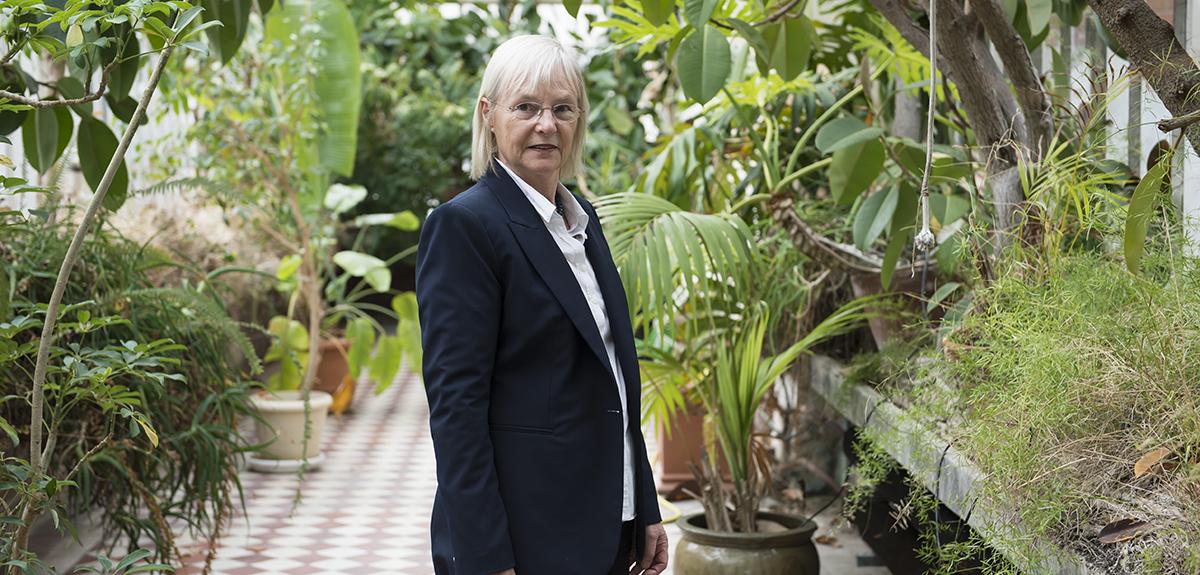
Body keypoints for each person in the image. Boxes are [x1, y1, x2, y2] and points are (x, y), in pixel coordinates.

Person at [415, 35, 670, 575]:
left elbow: (615, 380)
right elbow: (456, 409)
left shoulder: (583, 223)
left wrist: (644, 505)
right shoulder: (466, 227)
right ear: (489, 114)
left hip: (605, 522)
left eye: (562, 108)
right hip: (526, 537)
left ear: (579, 118)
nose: (546, 124)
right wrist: (487, 557)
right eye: (526, 107)